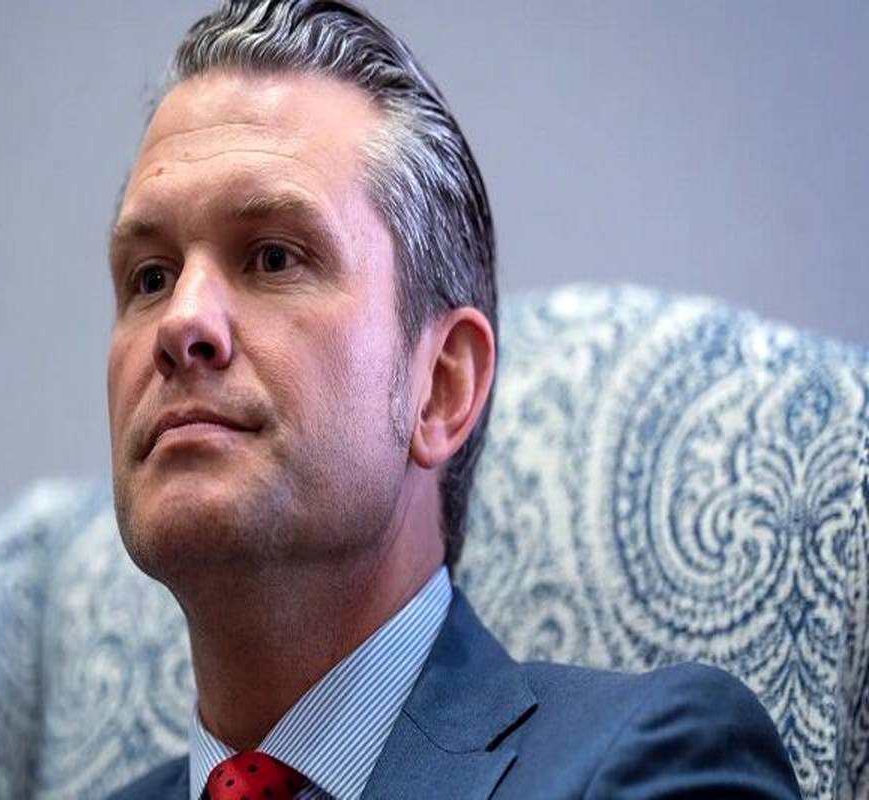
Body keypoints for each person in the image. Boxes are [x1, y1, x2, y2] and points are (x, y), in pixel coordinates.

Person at [104, 1, 801, 797]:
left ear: (442, 387)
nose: (182, 321)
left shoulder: (658, 756)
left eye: (272, 257)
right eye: (150, 277)